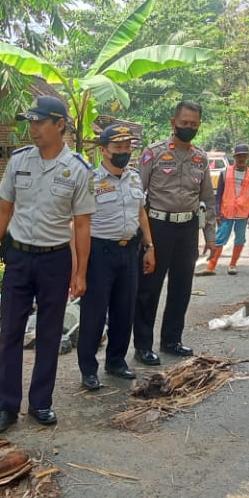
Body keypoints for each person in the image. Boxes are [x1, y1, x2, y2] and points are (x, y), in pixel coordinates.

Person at [0, 95, 95, 433]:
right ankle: (5, 408)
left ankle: (41, 403)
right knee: (10, 333)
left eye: (39, 122)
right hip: (18, 258)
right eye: (30, 122)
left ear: (60, 124)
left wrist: (81, 271)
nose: (33, 128)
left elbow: (83, 224)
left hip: (55, 260)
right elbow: (3, 210)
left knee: (48, 334)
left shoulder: (78, 170)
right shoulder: (19, 161)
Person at [133, 101, 217, 366]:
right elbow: (137, 196)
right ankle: (143, 346)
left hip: (188, 229)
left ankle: (171, 340)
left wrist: (210, 236)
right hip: (158, 228)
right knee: (149, 289)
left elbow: (208, 199)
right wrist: (144, 240)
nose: (188, 128)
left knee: (182, 287)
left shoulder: (201, 158)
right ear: (173, 122)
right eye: (184, 123)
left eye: (194, 124)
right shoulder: (153, 153)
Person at [76, 124, 156, 390]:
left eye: (127, 147)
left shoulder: (134, 177)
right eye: (117, 147)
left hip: (128, 251)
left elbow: (141, 212)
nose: (123, 152)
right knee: (94, 313)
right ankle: (88, 369)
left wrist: (149, 245)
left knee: (125, 310)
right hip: (100, 252)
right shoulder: (90, 180)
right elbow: (80, 222)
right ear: (103, 150)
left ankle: (116, 361)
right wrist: (79, 264)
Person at [199, 143, 249, 276]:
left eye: (244, 156)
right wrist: (217, 212)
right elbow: (219, 194)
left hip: (243, 213)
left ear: (247, 157)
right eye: (239, 156)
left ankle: (233, 265)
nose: (241, 159)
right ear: (234, 157)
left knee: (240, 239)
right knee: (220, 238)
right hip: (227, 212)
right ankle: (211, 266)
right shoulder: (225, 173)